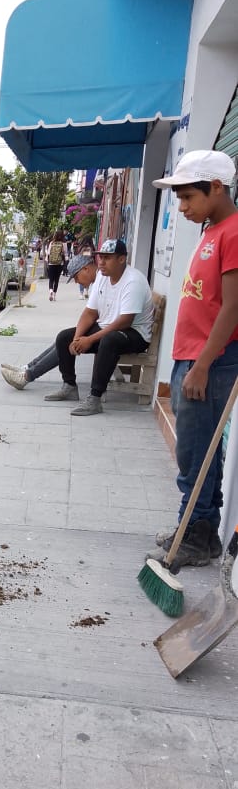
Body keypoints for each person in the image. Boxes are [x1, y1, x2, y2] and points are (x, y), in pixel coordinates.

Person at [146, 149, 238, 567]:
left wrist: (201, 364)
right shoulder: (211, 230)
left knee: (195, 455)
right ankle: (200, 530)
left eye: (187, 198)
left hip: (211, 363)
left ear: (215, 188)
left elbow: (232, 306)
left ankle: (195, 535)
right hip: (194, 358)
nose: (181, 207)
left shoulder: (233, 233)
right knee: (200, 454)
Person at [44, 238, 154, 416]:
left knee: (109, 341)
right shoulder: (103, 277)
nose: (101, 262)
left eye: (107, 258)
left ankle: (95, 399)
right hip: (108, 327)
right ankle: (69, 386)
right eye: (100, 257)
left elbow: (125, 321)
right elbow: (90, 312)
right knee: (64, 337)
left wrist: (91, 339)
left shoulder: (133, 281)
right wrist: (78, 338)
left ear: (121, 259)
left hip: (135, 333)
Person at [0, 254, 97, 390]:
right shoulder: (97, 284)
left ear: (86, 269)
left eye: (76, 276)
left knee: (64, 340)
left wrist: (81, 337)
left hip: (107, 332)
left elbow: (94, 316)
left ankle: (27, 376)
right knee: (63, 338)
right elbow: (90, 314)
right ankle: (28, 368)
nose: (77, 282)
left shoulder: (100, 283)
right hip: (99, 326)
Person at [45, 229, 68, 301]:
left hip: (51, 263)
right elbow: (66, 254)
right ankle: (54, 295)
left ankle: (50, 291)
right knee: (56, 280)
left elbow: (48, 254)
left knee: (51, 280)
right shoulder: (63, 243)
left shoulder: (51, 243)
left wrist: (47, 262)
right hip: (59, 263)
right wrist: (66, 263)